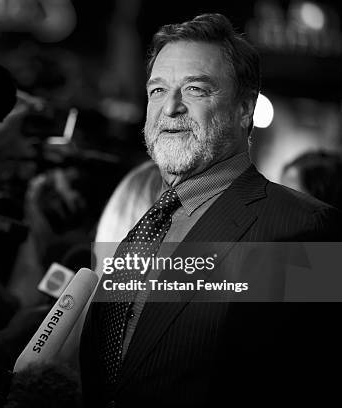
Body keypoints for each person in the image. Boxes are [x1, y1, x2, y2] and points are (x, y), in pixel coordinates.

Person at [79, 13, 341, 407]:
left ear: (243, 109)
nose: (170, 108)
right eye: (157, 90)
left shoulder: (303, 227)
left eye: (196, 89)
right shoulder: (142, 220)